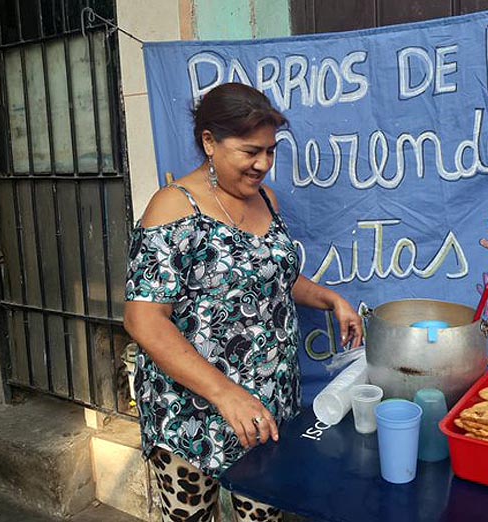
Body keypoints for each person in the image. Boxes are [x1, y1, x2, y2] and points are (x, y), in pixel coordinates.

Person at [124, 82, 363, 522]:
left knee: (264, 516)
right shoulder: (173, 208)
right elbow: (145, 320)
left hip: (268, 408)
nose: (263, 165)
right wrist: (226, 393)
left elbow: (269, 278)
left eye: (270, 151)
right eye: (250, 151)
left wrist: (329, 298)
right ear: (209, 142)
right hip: (191, 412)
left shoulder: (266, 202)